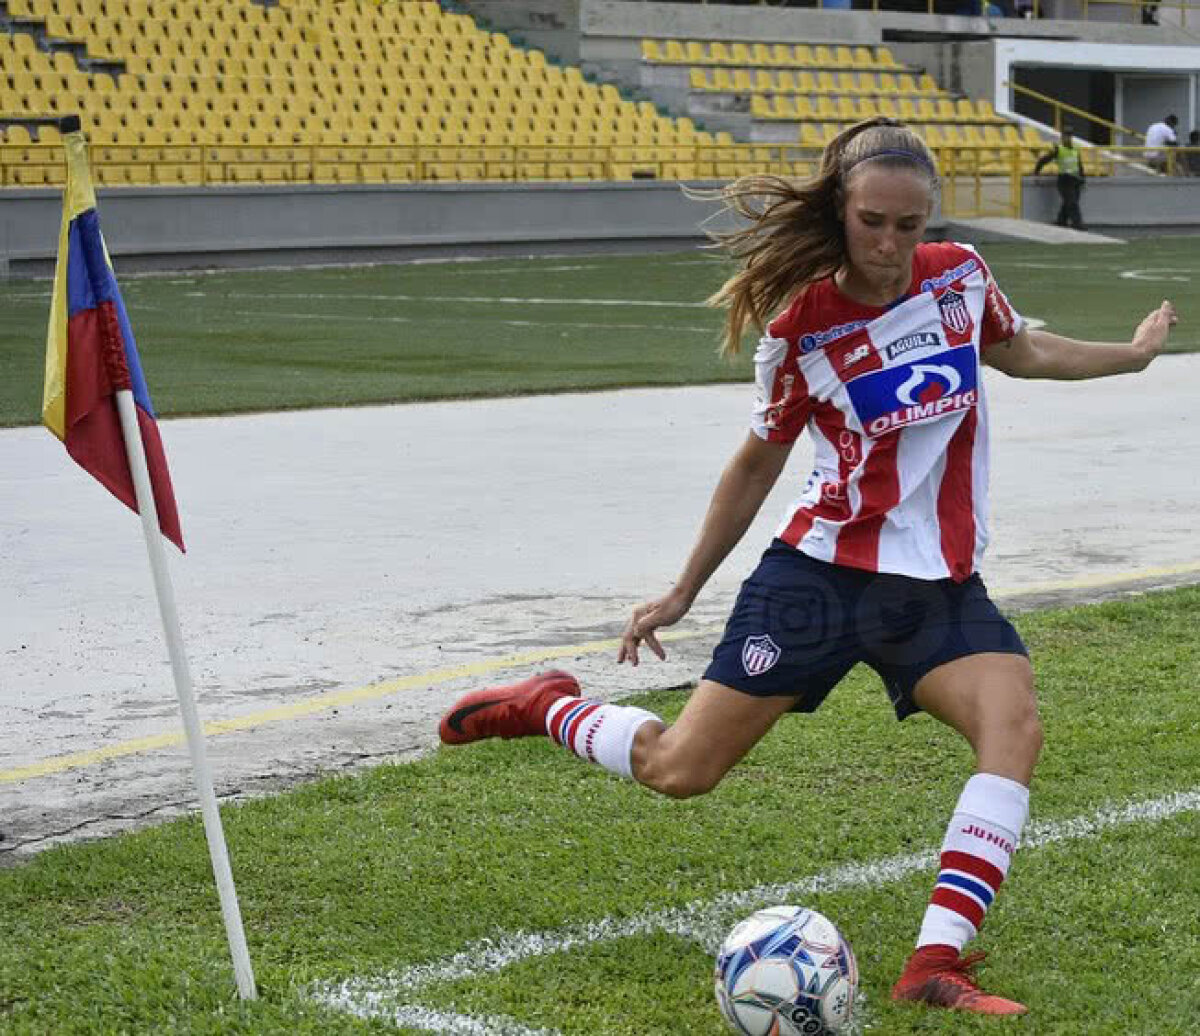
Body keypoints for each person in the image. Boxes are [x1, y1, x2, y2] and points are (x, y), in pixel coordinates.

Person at [438, 117, 1178, 1019]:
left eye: (911, 224)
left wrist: (1129, 357)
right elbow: (756, 464)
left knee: (1013, 728)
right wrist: (683, 589)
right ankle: (549, 703)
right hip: (817, 582)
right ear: (841, 212)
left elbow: (1021, 349)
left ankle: (932, 967)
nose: (894, 244)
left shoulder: (959, 278)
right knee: (681, 769)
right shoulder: (800, 333)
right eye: (875, 222)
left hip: (937, 588)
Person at [1033, 127, 1086, 229]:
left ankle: (1061, 221)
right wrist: (1036, 172)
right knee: (1072, 202)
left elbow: (1079, 164)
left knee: (1069, 201)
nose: (1067, 138)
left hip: (1075, 179)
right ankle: (1077, 224)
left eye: (1069, 136)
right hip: (1064, 180)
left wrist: (1083, 178)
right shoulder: (1058, 149)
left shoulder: (1076, 148)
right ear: (1062, 137)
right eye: (1065, 136)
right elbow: (1044, 160)